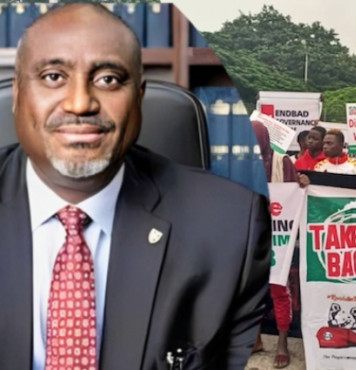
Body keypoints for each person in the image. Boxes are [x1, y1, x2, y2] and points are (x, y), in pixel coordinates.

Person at [0, 4, 270, 369]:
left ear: (138, 97)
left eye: (108, 79)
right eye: (52, 76)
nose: (80, 103)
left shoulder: (233, 227)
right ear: (17, 94)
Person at [251, 121, 297, 369]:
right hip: (249, 237)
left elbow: (293, 197)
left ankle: (282, 342)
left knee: (279, 290)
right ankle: (254, 339)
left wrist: (303, 183)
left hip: (278, 237)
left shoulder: (283, 163)